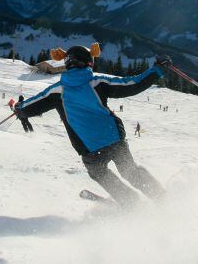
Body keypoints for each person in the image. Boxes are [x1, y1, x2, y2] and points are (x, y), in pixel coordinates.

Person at [15, 45, 170, 206]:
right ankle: (162, 198)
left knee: (99, 173)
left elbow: (29, 107)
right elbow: (131, 85)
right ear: (89, 62)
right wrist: (157, 70)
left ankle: (129, 201)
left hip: (90, 150)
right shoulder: (97, 83)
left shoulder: (57, 91)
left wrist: (19, 109)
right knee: (130, 171)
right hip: (114, 139)